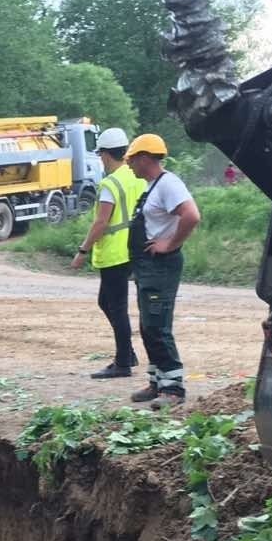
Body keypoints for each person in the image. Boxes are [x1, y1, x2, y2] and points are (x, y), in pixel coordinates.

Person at [124, 133, 200, 408]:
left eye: (131, 160)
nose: (129, 165)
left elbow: (191, 215)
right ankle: (157, 381)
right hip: (147, 267)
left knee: (158, 325)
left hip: (161, 267)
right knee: (148, 326)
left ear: (144, 158)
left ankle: (173, 389)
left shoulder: (169, 185)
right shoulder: (152, 186)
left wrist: (170, 244)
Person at [72, 127, 147, 379]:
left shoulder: (110, 183)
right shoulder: (135, 176)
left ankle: (123, 362)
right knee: (107, 302)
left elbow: (101, 222)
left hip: (115, 252)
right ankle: (127, 353)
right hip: (132, 248)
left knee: (116, 307)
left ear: (104, 155)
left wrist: (83, 250)